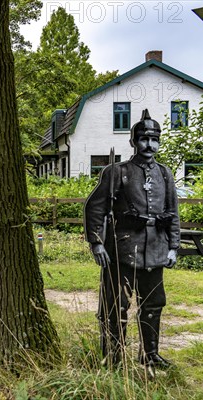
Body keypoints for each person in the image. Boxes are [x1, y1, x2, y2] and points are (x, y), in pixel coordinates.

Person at [84, 109, 180, 372]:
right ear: (133, 141)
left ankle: (150, 355)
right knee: (115, 306)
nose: (150, 145)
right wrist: (97, 243)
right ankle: (113, 357)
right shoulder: (117, 172)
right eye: (144, 139)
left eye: (155, 139)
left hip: (155, 252)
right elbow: (95, 208)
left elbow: (173, 213)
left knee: (153, 304)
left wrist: (173, 246)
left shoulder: (164, 174)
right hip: (121, 251)